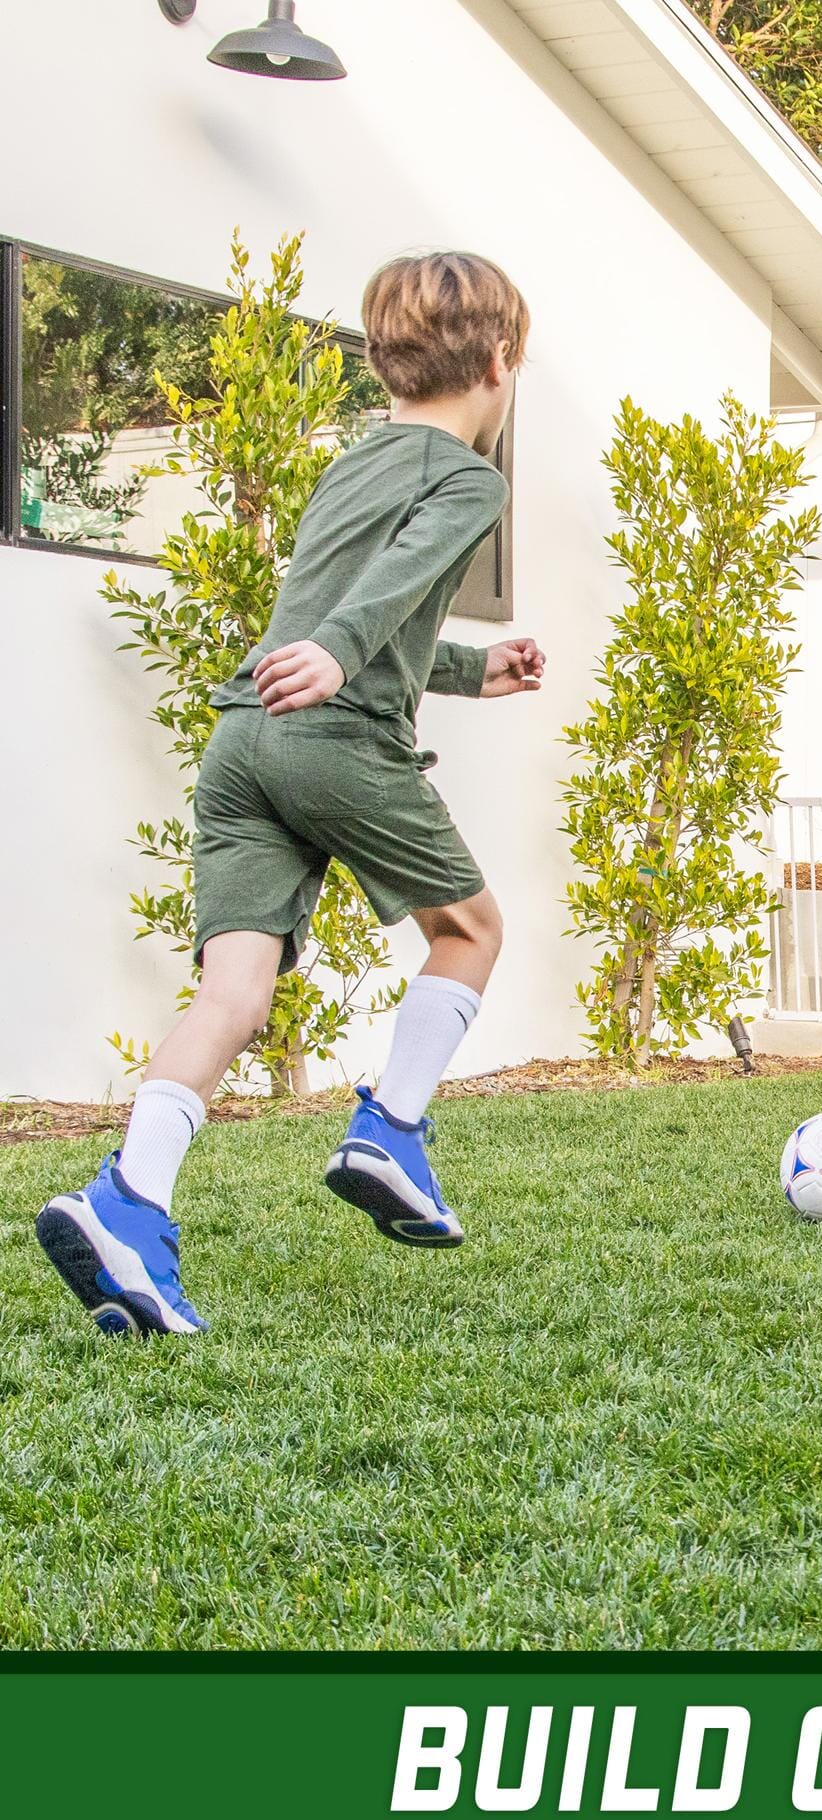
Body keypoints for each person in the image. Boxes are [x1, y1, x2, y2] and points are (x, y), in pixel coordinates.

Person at [36, 251, 545, 1334]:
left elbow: (352, 608)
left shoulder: (353, 463)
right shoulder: (471, 479)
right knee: (471, 930)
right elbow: (386, 592)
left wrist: (468, 668)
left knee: (234, 997)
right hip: (332, 739)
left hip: (243, 743)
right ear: (501, 360)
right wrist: (342, 654)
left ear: (385, 365)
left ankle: (126, 1202)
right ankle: (390, 1130)